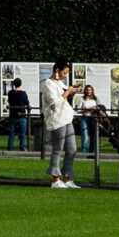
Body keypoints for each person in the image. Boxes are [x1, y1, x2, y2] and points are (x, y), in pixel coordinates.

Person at [41, 61, 79, 189]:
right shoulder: (48, 83)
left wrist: (71, 91)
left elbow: (63, 98)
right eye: (64, 72)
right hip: (57, 119)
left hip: (67, 118)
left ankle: (67, 178)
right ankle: (55, 180)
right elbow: (54, 103)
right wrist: (67, 92)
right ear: (57, 70)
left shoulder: (58, 83)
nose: (66, 75)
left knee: (72, 149)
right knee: (58, 149)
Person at [6, 76, 31, 151]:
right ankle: (22, 148)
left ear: (14, 84)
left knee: (11, 133)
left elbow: (9, 101)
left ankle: (10, 148)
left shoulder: (10, 93)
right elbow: (27, 102)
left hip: (12, 115)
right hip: (22, 116)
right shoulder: (23, 94)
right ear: (21, 84)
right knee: (22, 134)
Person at [77, 82, 100, 159]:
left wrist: (96, 109)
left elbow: (99, 108)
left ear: (92, 91)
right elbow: (78, 110)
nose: (88, 91)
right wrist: (88, 109)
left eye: (90, 90)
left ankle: (92, 152)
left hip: (94, 119)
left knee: (94, 136)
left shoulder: (95, 99)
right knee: (85, 136)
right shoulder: (82, 99)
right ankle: (83, 153)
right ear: (85, 91)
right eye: (87, 90)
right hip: (85, 118)